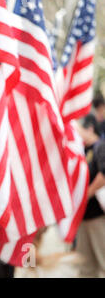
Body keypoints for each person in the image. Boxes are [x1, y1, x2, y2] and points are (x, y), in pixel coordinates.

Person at [76, 114, 105, 277]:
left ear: (90, 128)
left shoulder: (100, 147)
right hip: (85, 217)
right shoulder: (83, 150)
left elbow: (103, 175)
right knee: (85, 266)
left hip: (98, 217)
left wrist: (86, 194)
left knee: (102, 262)